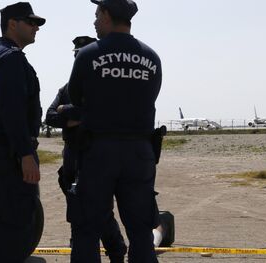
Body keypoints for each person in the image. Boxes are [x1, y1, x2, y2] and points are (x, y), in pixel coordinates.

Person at [67, 0, 163, 262]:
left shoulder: (88, 55)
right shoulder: (151, 58)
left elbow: (75, 97)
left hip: (99, 152)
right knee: (141, 231)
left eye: (97, 14)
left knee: (87, 229)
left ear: (107, 15)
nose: (95, 20)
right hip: (140, 153)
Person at [45, 36, 127, 263]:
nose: (77, 59)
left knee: (100, 210)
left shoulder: (106, 87)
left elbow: (104, 114)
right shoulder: (67, 88)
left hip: (98, 155)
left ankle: (116, 251)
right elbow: (50, 117)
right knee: (77, 208)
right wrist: (77, 119)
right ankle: (82, 249)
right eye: (76, 55)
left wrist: (68, 112)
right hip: (73, 155)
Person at [0, 2, 45, 262]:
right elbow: (12, 111)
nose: (36, 28)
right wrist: (25, 153)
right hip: (11, 155)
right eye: (31, 22)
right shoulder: (11, 58)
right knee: (18, 224)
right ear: (12, 24)